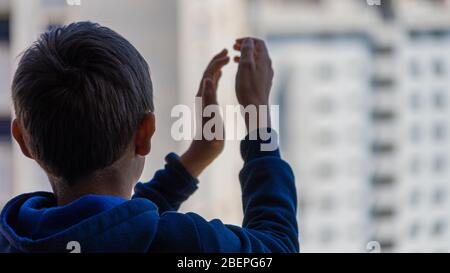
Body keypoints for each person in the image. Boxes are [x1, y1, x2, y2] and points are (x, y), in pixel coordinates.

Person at [0, 21, 298, 253]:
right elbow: (276, 249)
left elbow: (110, 231)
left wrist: (192, 162)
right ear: (145, 133)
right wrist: (258, 120)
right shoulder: (187, 246)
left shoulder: (13, 239)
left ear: (23, 141)